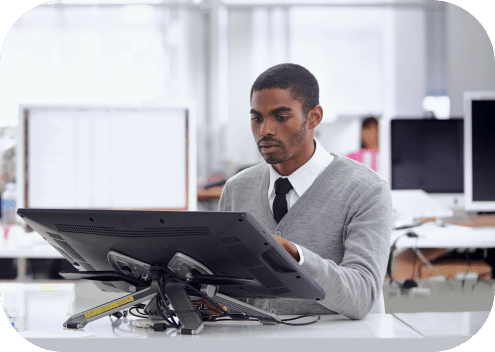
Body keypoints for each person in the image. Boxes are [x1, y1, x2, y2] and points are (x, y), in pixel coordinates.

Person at [218, 63, 392, 320]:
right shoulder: (236, 189)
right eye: (257, 118)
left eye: (281, 117)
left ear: (314, 117)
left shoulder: (366, 189)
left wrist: (297, 257)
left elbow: (361, 295)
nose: (265, 129)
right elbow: (229, 290)